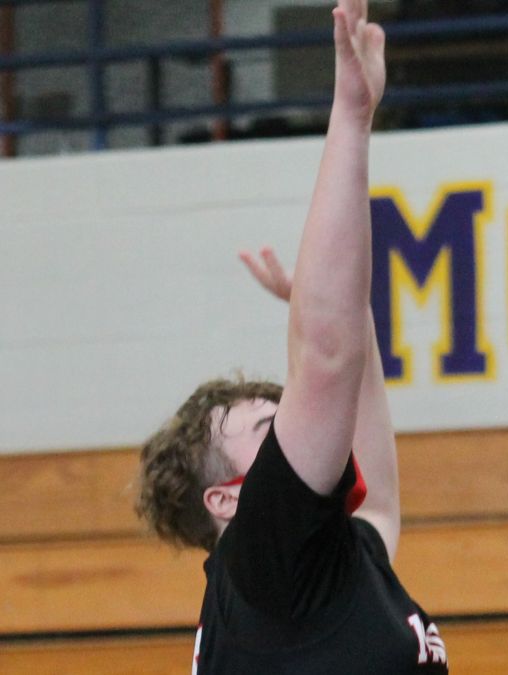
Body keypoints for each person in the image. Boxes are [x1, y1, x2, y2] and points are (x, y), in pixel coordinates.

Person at [134, 1, 448, 672]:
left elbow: (377, 484)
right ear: (228, 499)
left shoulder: (332, 564)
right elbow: (327, 359)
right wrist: (352, 115)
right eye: (268, 430)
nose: (297, 429)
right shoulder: (261, 564)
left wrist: (337, 309)